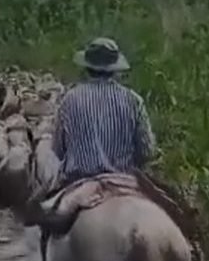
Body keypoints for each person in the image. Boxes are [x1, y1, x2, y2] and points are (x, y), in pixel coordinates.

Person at [51, 36, 158, 187]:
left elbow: (58, 150)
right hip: (124, 179)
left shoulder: (69, 99)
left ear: (87, 67)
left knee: (44, 205)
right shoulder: (133, 100)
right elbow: (147, 151)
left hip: (79, 181)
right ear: (114, 69)